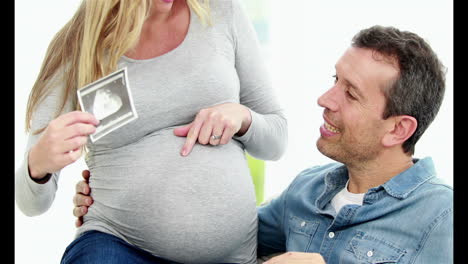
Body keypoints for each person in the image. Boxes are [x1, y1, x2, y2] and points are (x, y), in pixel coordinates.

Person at [74, 25, 453, 264]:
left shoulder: (441, 216)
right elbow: (219, 233)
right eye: (334, 79)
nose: (325, 99)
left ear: (398, 129)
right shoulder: (307, 190)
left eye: (350, 94)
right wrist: (118, 205)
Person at [15, 0, 287, 263]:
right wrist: (37, 166)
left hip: (229, 256)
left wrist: (242, 117)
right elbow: (30, 204)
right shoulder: (77, 46)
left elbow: (276, 139)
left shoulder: (221, 11)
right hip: (118, 242)